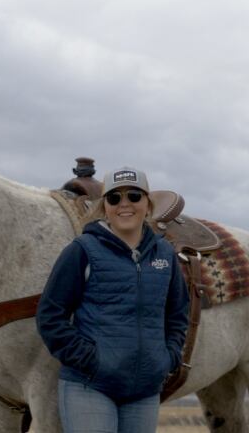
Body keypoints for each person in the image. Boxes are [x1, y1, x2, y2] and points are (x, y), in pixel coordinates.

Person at [37, 166, 189, 433]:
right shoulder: (82, 250)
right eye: (114, 198)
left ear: (147, 204)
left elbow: (177, 314)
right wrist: (91, 360)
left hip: (144, 391)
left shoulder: (165, 254)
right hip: (90, 385)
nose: (125, 204)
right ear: (104, 206)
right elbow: (50, 316)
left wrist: (168, 357)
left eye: (134, 196)